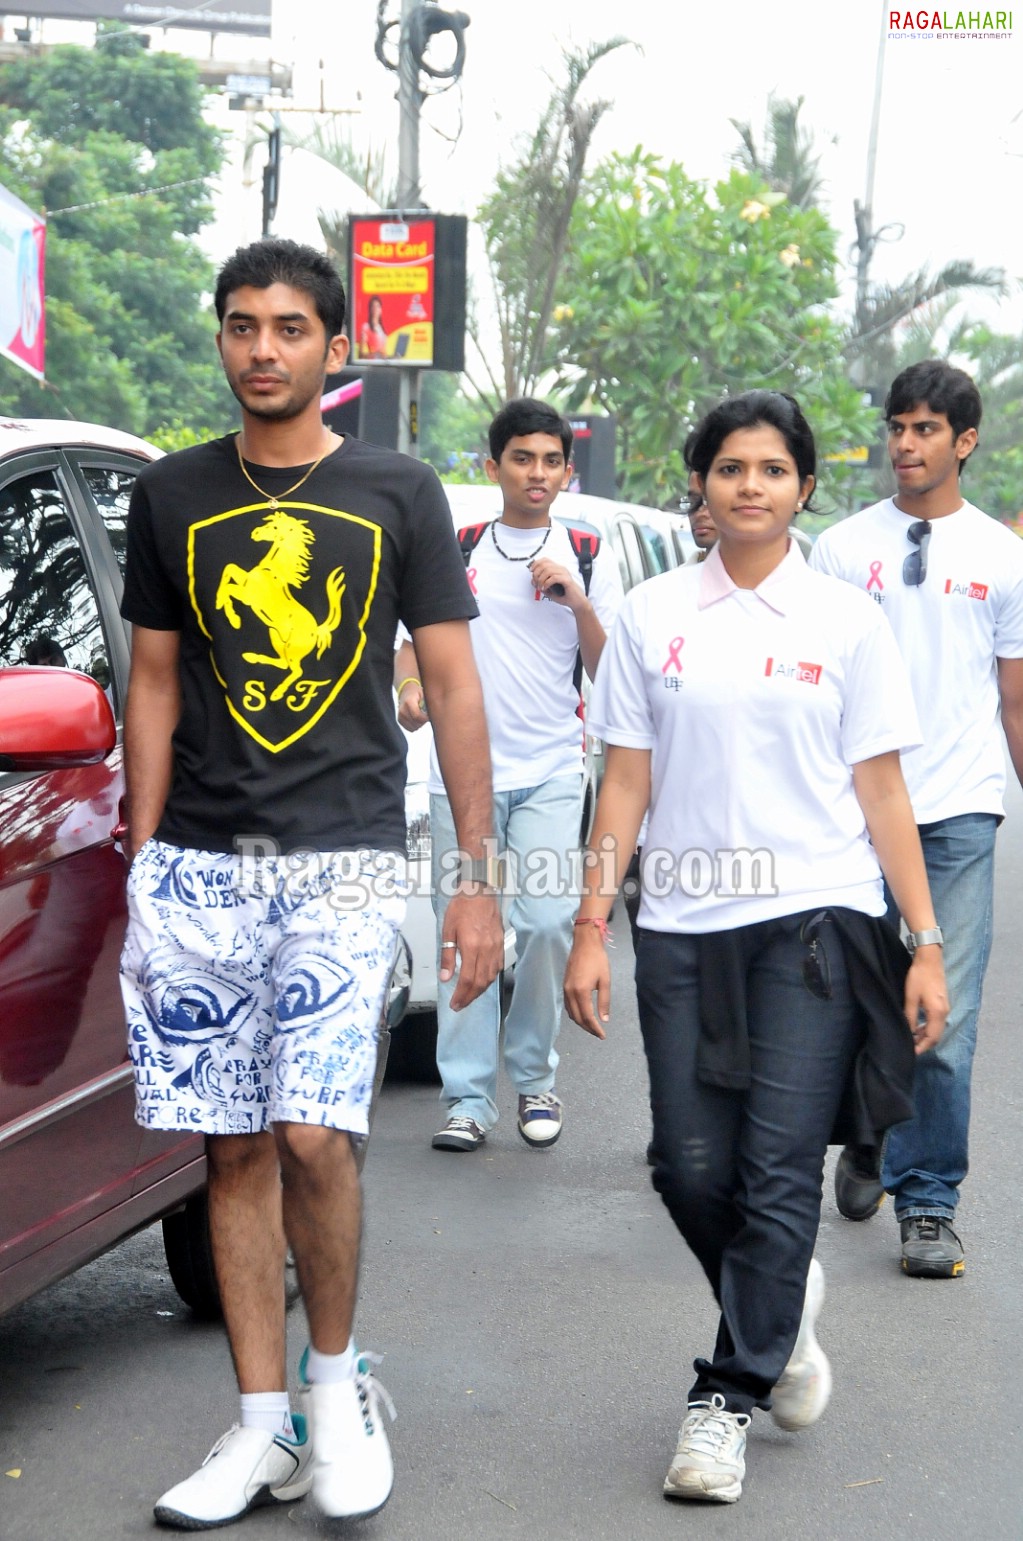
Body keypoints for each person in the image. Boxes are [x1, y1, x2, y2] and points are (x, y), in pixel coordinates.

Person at [118, 238, 503, 1530]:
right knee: (229, 1147)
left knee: (312, 1135)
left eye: (290, 327)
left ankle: (334, 1393)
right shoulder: (170, 495)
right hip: (197, 867)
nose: (263, 347)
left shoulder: (395, 490)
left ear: (333, 351)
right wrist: (140, 850)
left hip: (338, 855)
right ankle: (257, 1423)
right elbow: (158, 680)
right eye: (241, 325)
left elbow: (449, 685)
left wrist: (474, 880)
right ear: (221, 340)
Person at [564, 389, 947, 1505]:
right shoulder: (647, 614)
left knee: (780, 1171)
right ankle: (781, 1305)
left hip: (816, 924)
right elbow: (623, 780)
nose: (749, 486)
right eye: (730, 467)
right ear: (702, 484)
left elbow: (883, 787)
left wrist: (920, 942)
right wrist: (592, 924)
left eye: (772, 469)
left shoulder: (845, 622)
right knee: (686, 1167)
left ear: (804, 487)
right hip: (680, 923)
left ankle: (724, 1395)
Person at [811, 359, 1023, 1278]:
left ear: (963, 441)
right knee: (860, 1007)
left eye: (925, 428)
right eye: (897, 426)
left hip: (958, 812)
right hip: (849, 813)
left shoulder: (1002, 556)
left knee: (947, 1013)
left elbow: (1013, 700)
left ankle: (928, 1202)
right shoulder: (838, 548)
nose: (905, 443)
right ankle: (870, 1140)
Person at [396, 397, 623, 1152]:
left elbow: (607, 672)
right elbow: (411, 644)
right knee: (462, 935)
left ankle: (533, 1079)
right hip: (460, 776)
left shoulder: (589, 547)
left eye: (550, 460)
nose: (536, 472)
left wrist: (577, 598)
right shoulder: (456, 545)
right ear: (493, 467)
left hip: (553, 769)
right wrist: (407, 690)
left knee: (549, 920)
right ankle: (466, 1097)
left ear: (566, 470)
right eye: (520, 458)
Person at [358, 295, 388, 359]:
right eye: (373, 306)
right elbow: (361, 355)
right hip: (372, 364)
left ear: (381, 310)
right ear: (370, 309)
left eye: (378, 306)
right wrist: (375, 355)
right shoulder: (366, 327)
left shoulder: (382, 329)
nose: (375, 309)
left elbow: (384, 352)